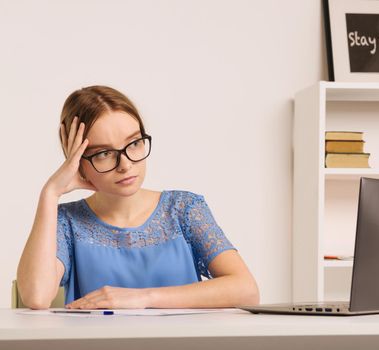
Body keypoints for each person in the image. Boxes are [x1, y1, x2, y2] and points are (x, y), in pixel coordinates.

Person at [16, 86, 259, 310]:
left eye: (134, 143)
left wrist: (143, 298)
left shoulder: (183, 209)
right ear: (77, 161)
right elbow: (36, 297)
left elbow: (246, 290)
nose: (125, 164)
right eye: (104, 153)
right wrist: (50, 193)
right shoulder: (67, 222)